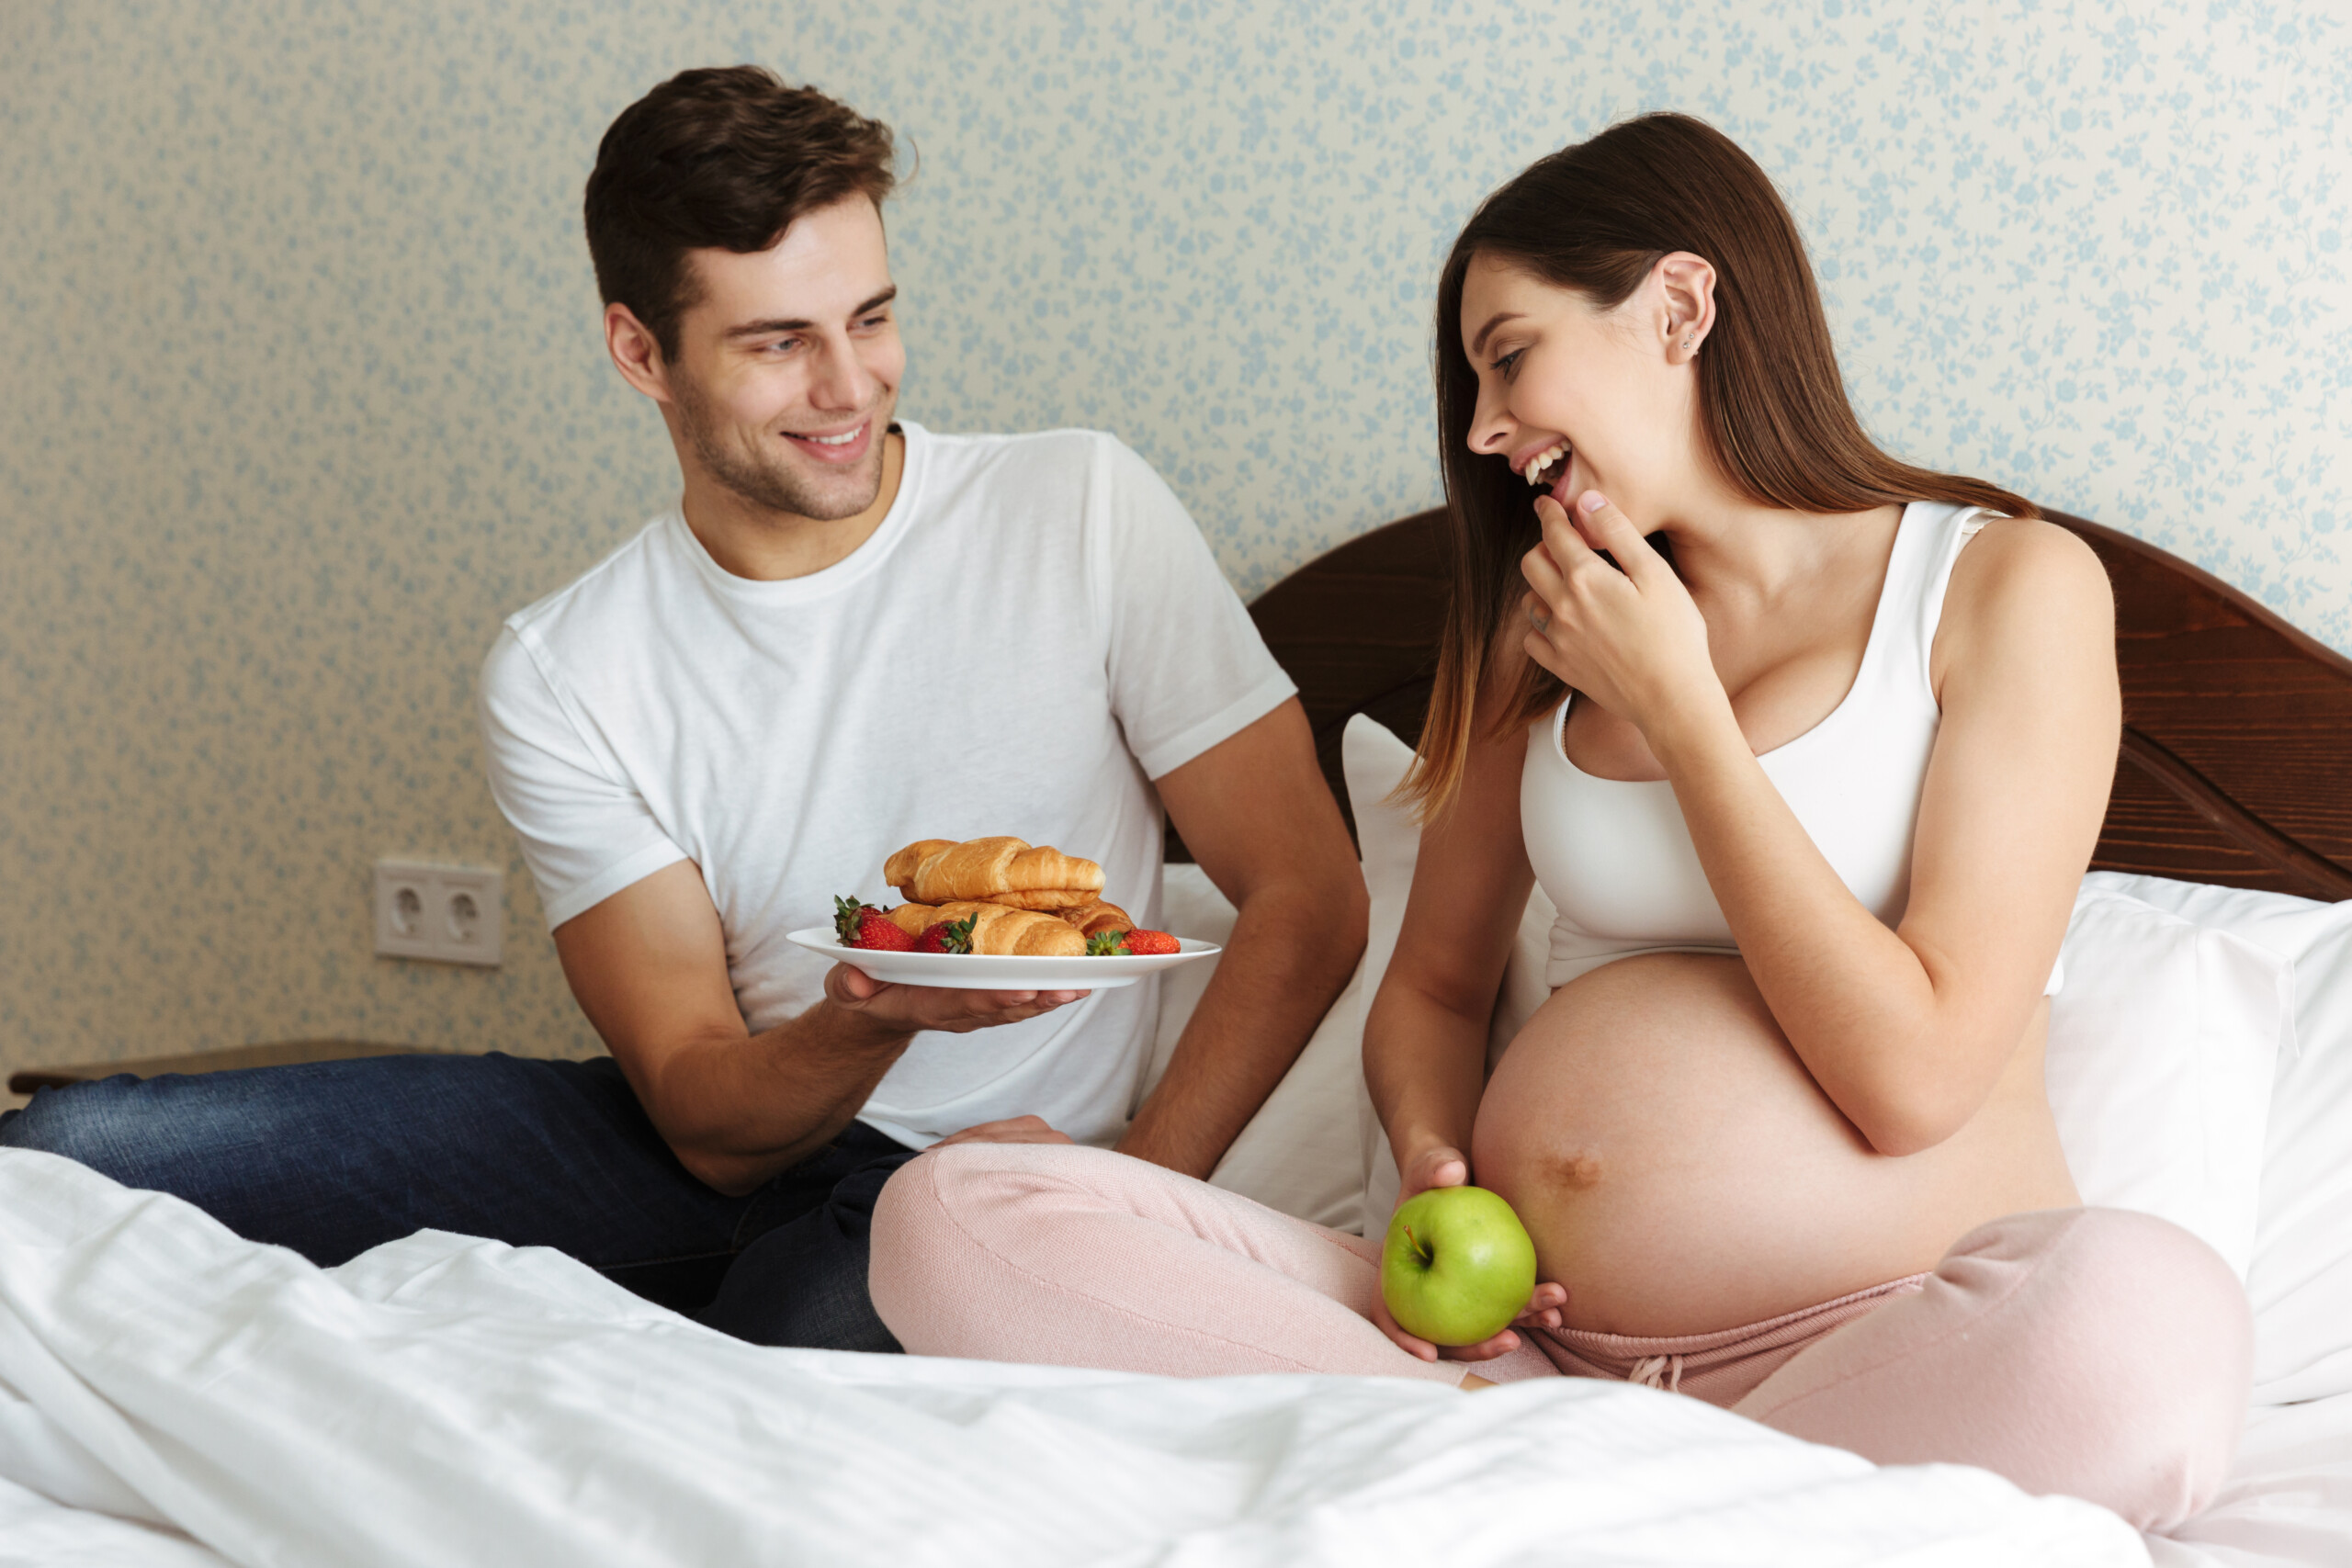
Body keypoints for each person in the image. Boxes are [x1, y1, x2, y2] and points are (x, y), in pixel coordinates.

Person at [865, 113, 2253, 1529]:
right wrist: (1426, 1155)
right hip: (1503, 1364)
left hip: (1875, 1353)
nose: (1480, 430)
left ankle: (1553, 1501)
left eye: (1510, 355)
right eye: (1473, 384)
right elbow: (1434, 990)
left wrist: (1683, 714)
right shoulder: (1543, 632)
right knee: (956, 1213)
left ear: (1681, 306)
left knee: (2150, 1326)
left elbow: (1915, 1080)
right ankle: (1622, 1497)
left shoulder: (2006, 588)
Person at [0, 66, 1367, 1353]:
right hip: (729, 1141)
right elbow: (707, 1117)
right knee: (72, 1156)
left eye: (872, 319)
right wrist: (872, 1016)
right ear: (641, 351)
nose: (850, 388)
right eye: (781, 343)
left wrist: (1128, 1192)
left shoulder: (1077, 509)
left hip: (983, 1189)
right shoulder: (566, 666)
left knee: (789, 1351)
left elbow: (1307, 894)